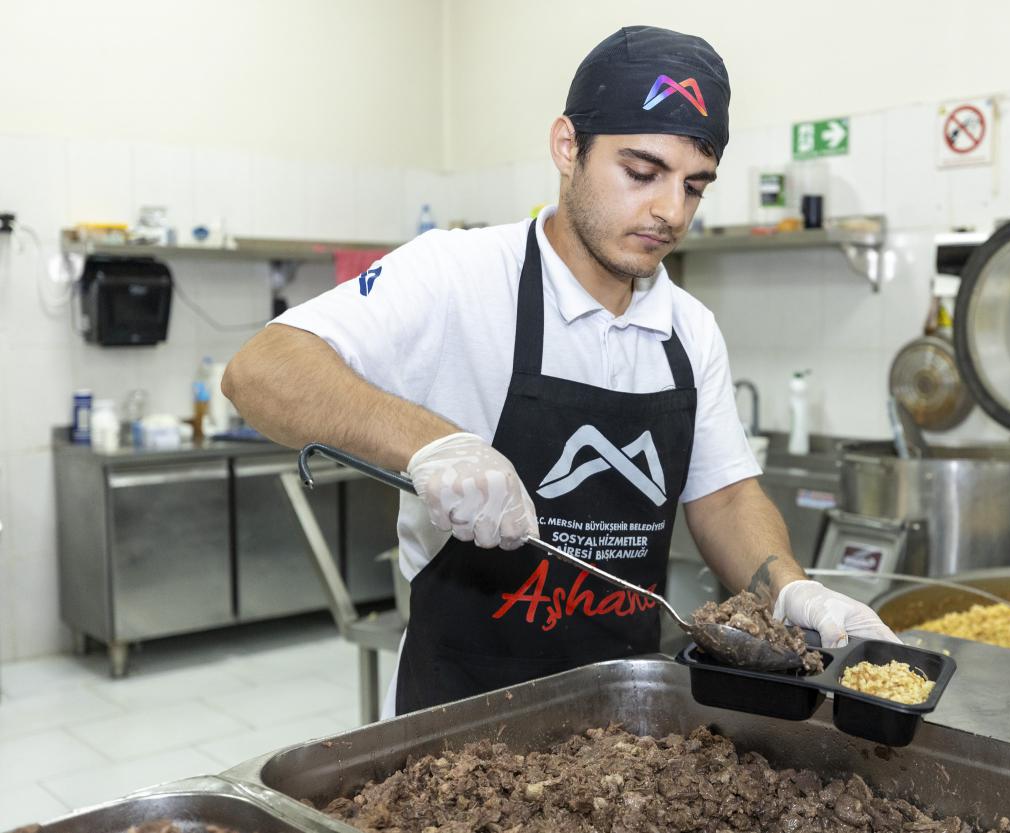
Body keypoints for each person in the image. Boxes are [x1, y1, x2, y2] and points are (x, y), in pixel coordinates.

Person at [222, 25, 898, 719]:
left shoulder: (689, 328)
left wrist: (789, 590)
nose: (671, 211)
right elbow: (262, 370)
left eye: (694, 186)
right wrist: (435, 444)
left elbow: (724, 498)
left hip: (625, 721)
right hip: (455, 718)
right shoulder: (458, 274)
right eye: (642, 173)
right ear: (567, 147)